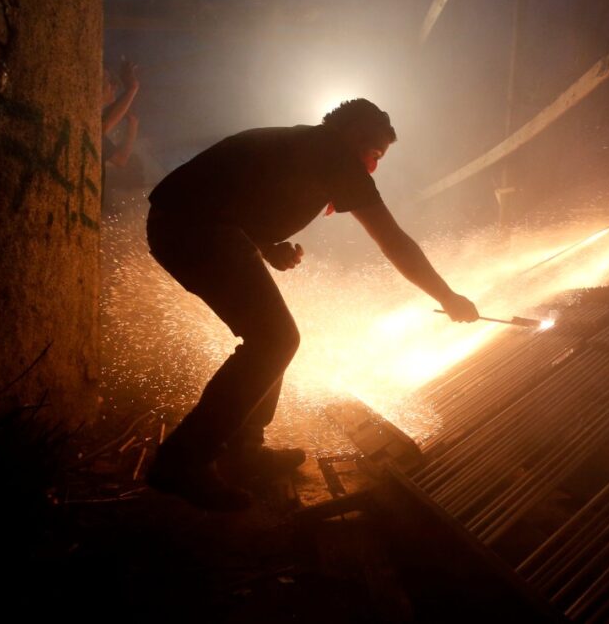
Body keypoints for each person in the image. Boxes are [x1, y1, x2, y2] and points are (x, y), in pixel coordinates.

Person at [144, 99, 479, 511]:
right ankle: (182, 462)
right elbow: (393, 241)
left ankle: (243, 449)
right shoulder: (333, 155)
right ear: (355, 136)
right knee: (274, 340)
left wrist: (266, 247)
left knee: (274, 339)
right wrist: (447, 296)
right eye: (374, 154)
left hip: (191, 225)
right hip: (192, 229)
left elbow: (236, 192)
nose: (373, 166)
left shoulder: (304, 145)